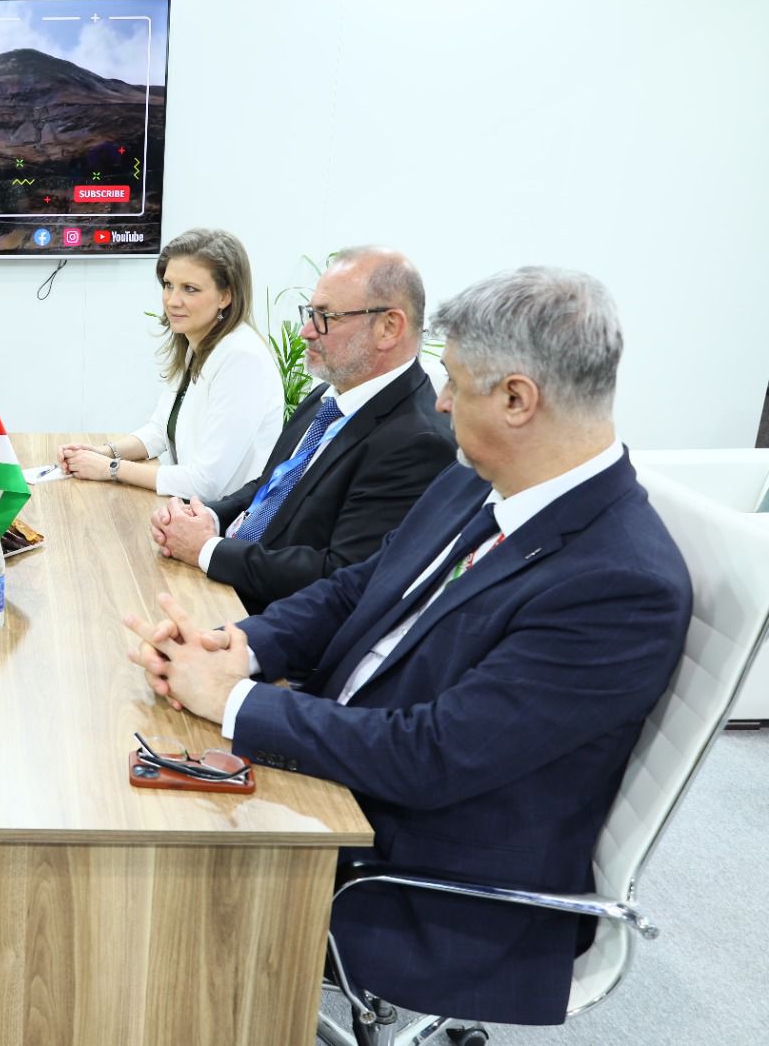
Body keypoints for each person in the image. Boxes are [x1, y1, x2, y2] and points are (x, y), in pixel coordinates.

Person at [124, 266, 691, 1025]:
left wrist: (232, 700)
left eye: (453, 380)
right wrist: (238, 644)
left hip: (421, 878)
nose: (440, 400)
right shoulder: (481, 478)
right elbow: (356, 588)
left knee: (134, 873)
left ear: (517, 399)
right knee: (130, 778)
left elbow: (434, 756)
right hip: (349, 769)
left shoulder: (620, 583)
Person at [149, 246, 453, 614]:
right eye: (310, 314)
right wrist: (208, 517)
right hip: (232, 580)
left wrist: (207, 549)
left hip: (269, 617)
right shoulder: (329, 395)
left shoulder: (417, 442)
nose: (306, 332)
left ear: (389, 327)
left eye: (326, 317)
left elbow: (340, 574)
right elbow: (270, 486)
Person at [57, 228, 284, 502]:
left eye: (190, 289)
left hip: (226, 520)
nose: (172, 301)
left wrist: (110, 468)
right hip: (190, 509)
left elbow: (206, 483)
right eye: (168, 285)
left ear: (226, 296)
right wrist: (102, 453)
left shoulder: (242, 359)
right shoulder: (197, 344)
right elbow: (159, 431)